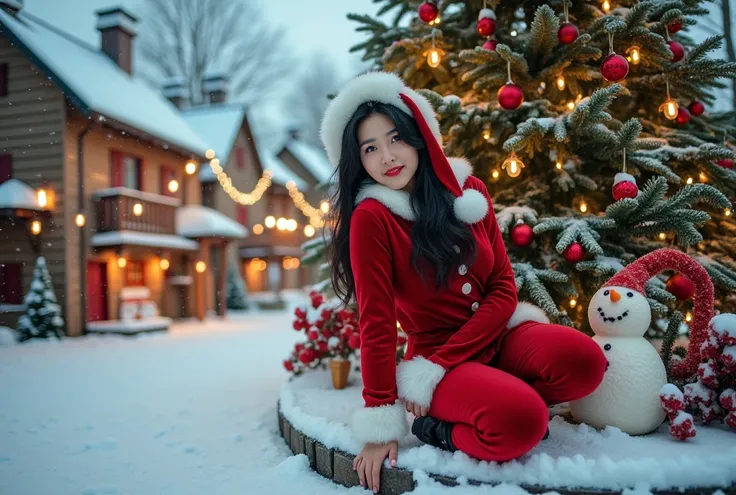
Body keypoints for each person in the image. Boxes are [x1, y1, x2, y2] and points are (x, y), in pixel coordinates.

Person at [320, 72, 607, 493]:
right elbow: (377, 322)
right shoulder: (373, 218)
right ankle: (436, 427)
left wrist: (453, 358)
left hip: (495, 334)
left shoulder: (468, 191)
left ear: (419, 134)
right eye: (370, 148)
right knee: (521, 422)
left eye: (396, 137)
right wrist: (381, 419)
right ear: (358, 160)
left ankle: (497, 392)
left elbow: (503, 287)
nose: (387, 156)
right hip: (434, 362)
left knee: (585, 361)